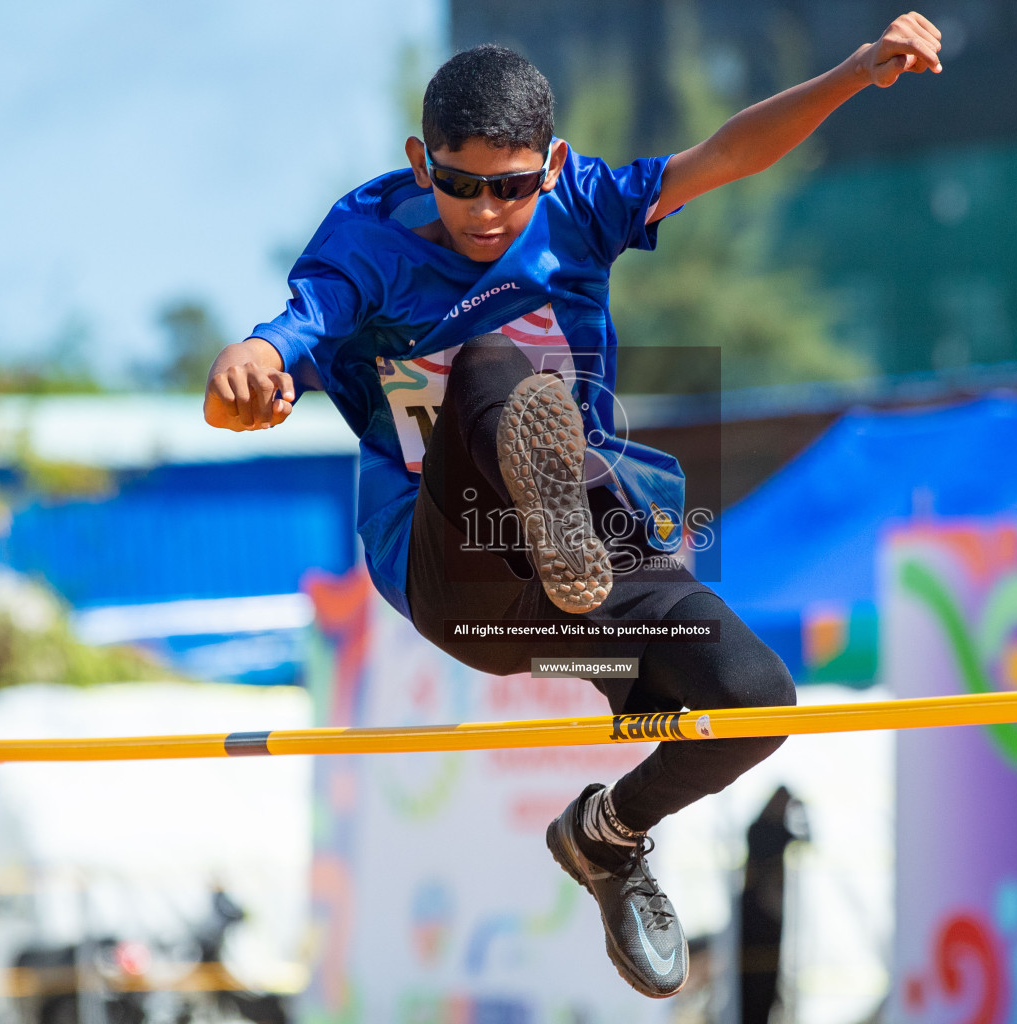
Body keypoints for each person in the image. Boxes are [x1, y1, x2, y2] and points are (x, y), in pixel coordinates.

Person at [203, 15, 943, 998]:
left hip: (583, 575)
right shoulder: (364, 243)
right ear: (422, 161)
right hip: (452, 570)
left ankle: (607, 836)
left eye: (510, 187)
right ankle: (557, 524)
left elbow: (724, 154)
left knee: (757, 702)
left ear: (550, 165)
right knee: (493, 367)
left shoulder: (585, 203)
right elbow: (267, 348)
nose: (485, 212)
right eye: (460, 183)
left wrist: (853, 74)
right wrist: (244, 378)